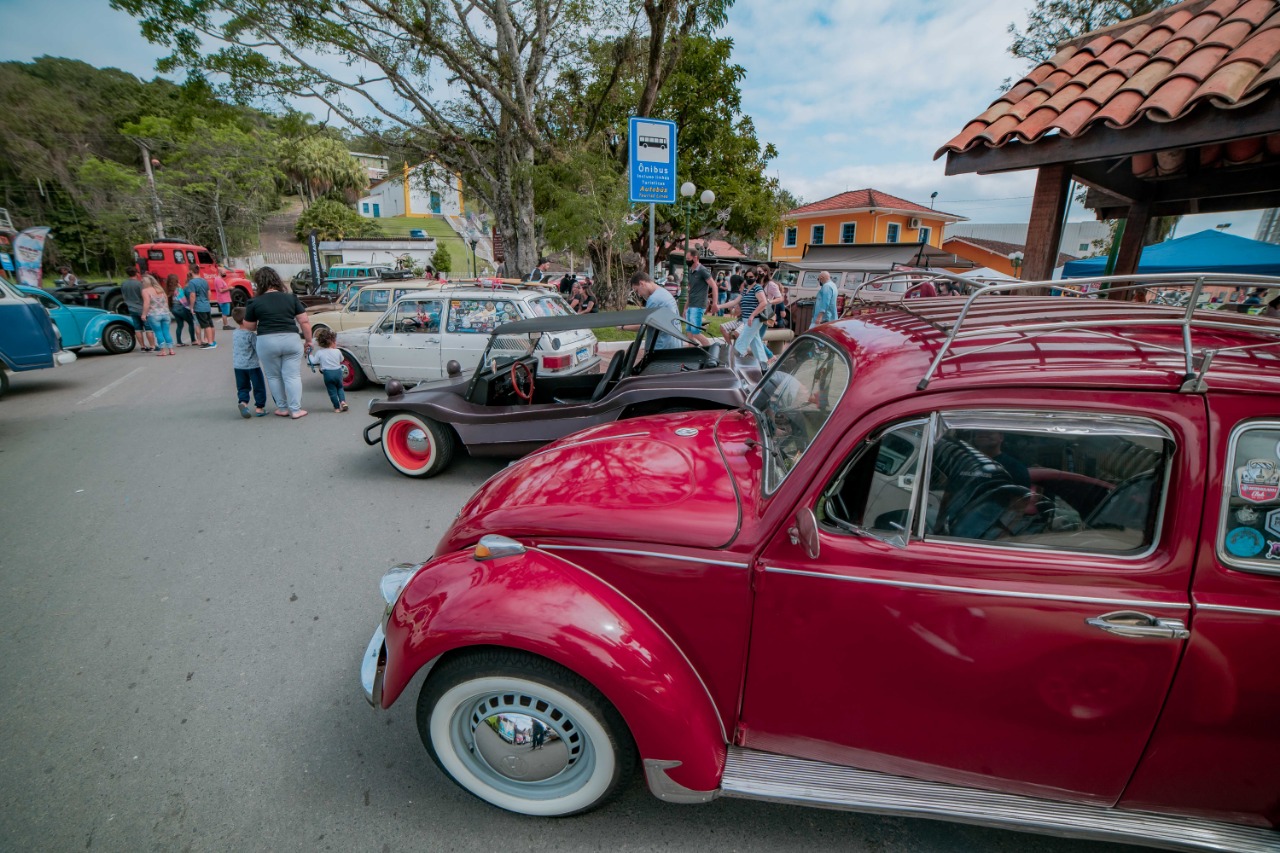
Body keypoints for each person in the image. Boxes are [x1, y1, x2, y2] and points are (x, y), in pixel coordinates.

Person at [243, 266, 314, 419]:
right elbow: (304, 321)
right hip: (291, 339)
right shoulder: (290, 298)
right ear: (276, 280)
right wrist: (308, 341)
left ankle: (282, 408)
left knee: (274, 376)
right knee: (292, 376)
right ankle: (295, 410)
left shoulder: (254, 302)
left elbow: (249, 326)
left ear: (259, 283)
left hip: (266, 341)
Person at [723, 272, 773, 367]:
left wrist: (752, 315)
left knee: (741, 343)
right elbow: (734, 301)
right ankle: (764, 366)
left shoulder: (757, 288)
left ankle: (732, 364)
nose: (748, 278)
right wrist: (719, 306)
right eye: (747, 277)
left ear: (756, 277)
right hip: (747, 320)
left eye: (751, 277)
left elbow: (763, 303)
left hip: (754, 320)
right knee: (756, 344)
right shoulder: (746, 289)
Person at [627, 271, 681, 350]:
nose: (639, 295)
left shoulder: (654, 299)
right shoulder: (664, 293)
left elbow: (644, 325)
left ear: (642, 283)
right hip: (673, 344)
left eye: (637, 290)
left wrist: (623, 327)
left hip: (662, 347)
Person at [230, 306, 268, 418]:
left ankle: (243, 403)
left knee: (243, 387)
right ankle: (259, 408)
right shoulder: (251, 335)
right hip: (252, 366)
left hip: (238, 366)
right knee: (258, 386)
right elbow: (258, 349)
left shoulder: (235, 333)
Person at [308, 327, 349, 413]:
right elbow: (342, 360)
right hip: (338, 372)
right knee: (340, 388)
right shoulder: (337, 351)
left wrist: (310, 355)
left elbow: (313, 361)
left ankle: (337, 408)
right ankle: (343, 402)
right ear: (332, 342)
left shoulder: (319, 352)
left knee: (332, 391)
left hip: (328, 374)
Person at [120, 265, 155, 352]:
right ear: (136, 273)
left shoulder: (124, 284)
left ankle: (142, 346)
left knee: (138, 329)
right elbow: (144, 296)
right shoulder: (139, 284)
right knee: (148, 328)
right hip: (142, 308)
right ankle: (152, 346)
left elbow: (123, 296)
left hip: (131, 308)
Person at [140, 274, 176, 356]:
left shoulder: (145, 291)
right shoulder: (160, 289)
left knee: (158, 332)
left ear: (145, 283)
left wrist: (144, 314)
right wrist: (166, 310)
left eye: (142, 282)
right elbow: (166, 301)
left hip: (154, 314)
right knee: (166, 332)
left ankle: (162, 351)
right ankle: (171, 349)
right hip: (165, 313)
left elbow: (147, 303)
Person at [683, 255, 717, 339]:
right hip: (691, 305)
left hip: (698, 305)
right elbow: (690, 291)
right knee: (689, 333)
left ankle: (709, 350)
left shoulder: (702, 270)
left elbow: (714, 286)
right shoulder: (691, 271)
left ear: (695, 257)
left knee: (695, 333)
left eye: (688, 258)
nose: (686, 260)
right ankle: (692, 351)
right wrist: (685, 308)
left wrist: (714, 303)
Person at [187, 265, 215, 348]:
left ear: (191, 271)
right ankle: (212, 340)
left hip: (199, 306)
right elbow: (209, 293)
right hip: (206, 304)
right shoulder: (204, 280)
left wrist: (191, 307)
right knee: (210, 324)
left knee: (205, 325)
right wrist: (207, 300)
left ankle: (210, 343)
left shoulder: (192, 282)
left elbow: (192, 295)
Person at [169, 273, 197, 346]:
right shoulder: (178, 289)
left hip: (174, 309)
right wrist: (190, 308)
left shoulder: (169, 290)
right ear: (176, 281)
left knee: (179, 325)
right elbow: (183, 300)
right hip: (181, 308)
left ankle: (179, 342)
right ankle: (193, 340)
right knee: (190, 323)